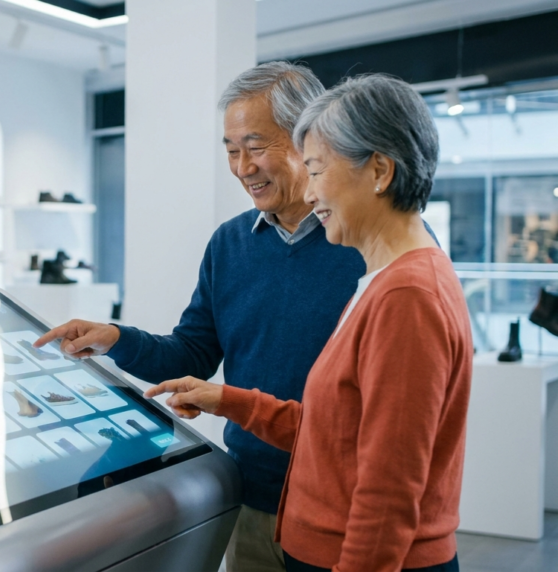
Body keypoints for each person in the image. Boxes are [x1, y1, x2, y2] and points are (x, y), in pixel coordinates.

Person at [35, 62, 365, 571]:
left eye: (255, 147)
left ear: (307, 139)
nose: (241, 167)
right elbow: (193, 352)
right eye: (231, 150)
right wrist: (117, 338)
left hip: (345, 511)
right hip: (252, 502)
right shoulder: (230, 245)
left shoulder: (365, 243)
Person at [146, 74, 471, 572]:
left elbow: (387, 489)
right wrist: (227, 399)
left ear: (379, 171)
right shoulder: (385, 280)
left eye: (317, 169)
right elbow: (334, 429)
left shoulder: (407, 291)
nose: (313, 194)